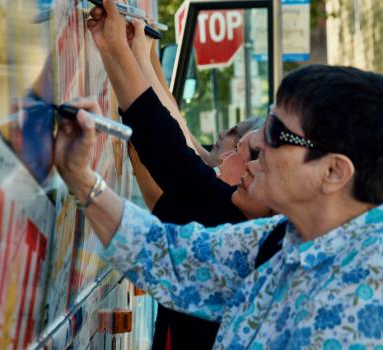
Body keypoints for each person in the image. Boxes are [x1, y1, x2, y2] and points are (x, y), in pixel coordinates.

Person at [54, 1, 383, 348]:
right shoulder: (278, 240)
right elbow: (167, 255)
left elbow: (176, 162)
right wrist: (79, 176)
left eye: (275, 132)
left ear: (333, 171)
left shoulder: (365, 310)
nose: (254, 140)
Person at [104, 13, 271, 350]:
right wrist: (139, 55)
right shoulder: (252, 224)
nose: (224, 157)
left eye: (249, 152)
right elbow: (175, 143)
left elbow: (172, 153)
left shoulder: (236, 224)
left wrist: (127, 52)